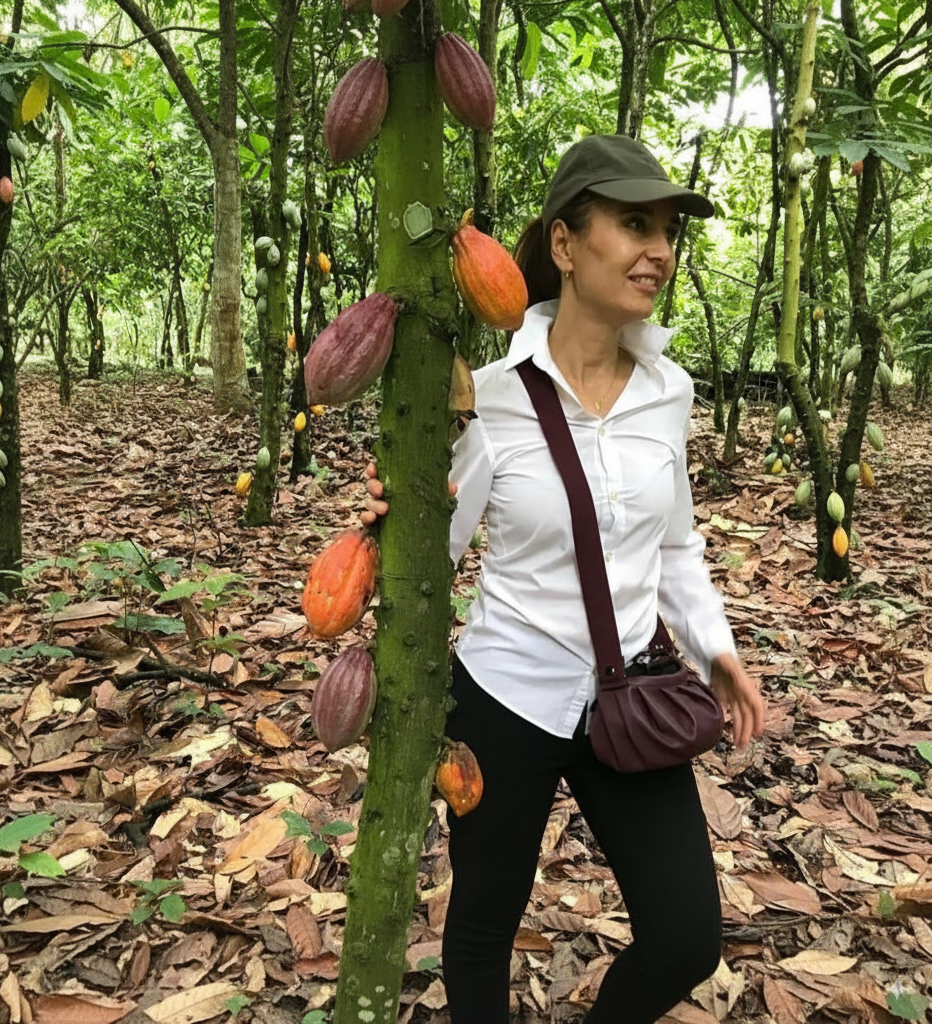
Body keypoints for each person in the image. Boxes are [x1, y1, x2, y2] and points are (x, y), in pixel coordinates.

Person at [362, 133, 766, 1024]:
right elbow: (431, 556)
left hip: (630, 688)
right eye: (632, 224)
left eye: (666, 229)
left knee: (686, 939)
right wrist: (388, 511)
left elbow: (674, 546)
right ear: (564, 243)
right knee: (479, 935)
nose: (658, 249)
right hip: (508, 694)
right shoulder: (490, 401)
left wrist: (717, 650)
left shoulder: (671, 392)